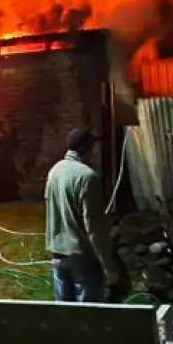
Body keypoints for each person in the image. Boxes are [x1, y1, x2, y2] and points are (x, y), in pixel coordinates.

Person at [45, 127, 119, 303]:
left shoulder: (54, 171)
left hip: (57, 252)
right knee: (89, 315)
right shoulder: (87, 177)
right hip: (82, 256)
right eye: (93, 148)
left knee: (65, 315)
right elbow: (93, 227)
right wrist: (108, 266)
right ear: (85, 149)